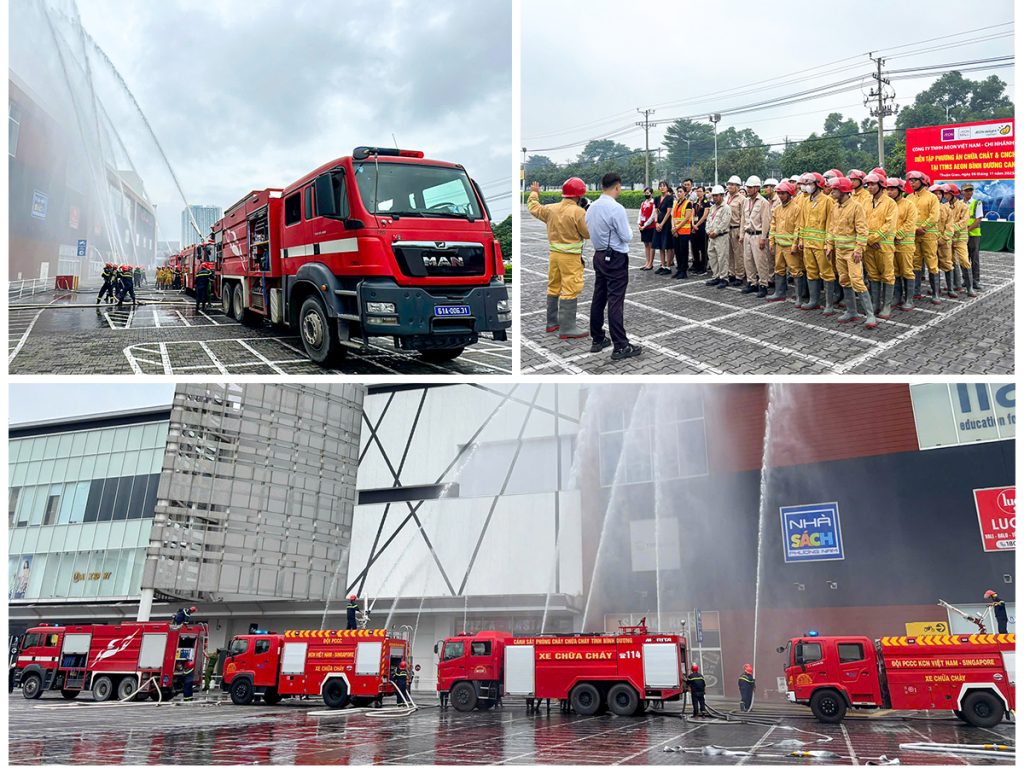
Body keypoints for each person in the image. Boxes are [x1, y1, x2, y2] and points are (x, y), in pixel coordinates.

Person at [585, 172, 641, 361]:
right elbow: (626, 236)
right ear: (617, 187)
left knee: (599, 297)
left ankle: (598, 338)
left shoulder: (591, 207)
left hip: (599, 254)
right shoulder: (616, 208)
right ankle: (620, 346)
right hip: (615, 257)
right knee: (615, 301)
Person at [527, 179, 591, 339]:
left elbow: (533, 208)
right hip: (570, 258)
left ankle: (552, 323)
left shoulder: (551, 209)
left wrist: (534, 193)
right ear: (579, 195)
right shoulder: (578, 212)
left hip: (554, 255)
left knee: (553, 286)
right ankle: (568, 328)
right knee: (571, 288)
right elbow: (587, 234)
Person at [826, 176, 874, 328]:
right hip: (840, 251)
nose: (832, 192)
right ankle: (851, 311)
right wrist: (829, 245)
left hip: (852, 253)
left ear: (843, 191)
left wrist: (859, 249)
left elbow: (862, 230)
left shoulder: (856, 207)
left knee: (857, 281)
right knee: (844, 280)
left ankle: (870, 315)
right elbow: (832, 228)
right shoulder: (835, 207)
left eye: (834, 190)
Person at [796, 172, 834, 312]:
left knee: (826, 273)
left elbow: (831, 224)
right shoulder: (806, 201)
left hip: (821, 246)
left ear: (818, 184)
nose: (807, 187)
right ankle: (814, 301)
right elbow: (802, 222)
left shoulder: (827, 201)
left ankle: (829, 304)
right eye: (805, 184)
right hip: (808, 245)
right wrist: (801, 239)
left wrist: (828, 244)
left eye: (809, 184)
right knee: (811, 272)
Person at [862, 172, 898, 318]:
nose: (869, 187)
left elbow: (889, 225)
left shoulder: (890, 203)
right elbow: (861, 223)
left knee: (888, 276)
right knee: (873, 275)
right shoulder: (865, 202)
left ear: (881, 185)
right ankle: (875, 303)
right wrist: (869, 240)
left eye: (872, 184)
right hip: (869, 246)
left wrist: (873, 239)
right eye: (868, 184)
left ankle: (886, 306)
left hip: (884, 246)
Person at [908, 170, 940, 304]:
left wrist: (924, 227)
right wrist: (915, 228)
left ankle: (936, 293)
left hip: (929, 235)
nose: (912, 183)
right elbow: (907, 216)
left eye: (914, 180)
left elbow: (934, 216)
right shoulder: (909, 198)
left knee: (931, 262)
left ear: (922, 181)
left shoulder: (932, 197)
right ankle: (916, 291)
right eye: (910, 181)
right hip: (914, 235)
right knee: (915, 262)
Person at [766, 181, 801, 303]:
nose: (780, 196)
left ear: (789, 194)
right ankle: (779, 293)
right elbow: (773, 227)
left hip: (790, 246)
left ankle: (799, 295)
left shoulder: (796, 209)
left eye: (783, 193)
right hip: (779, 246)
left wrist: (795, 244)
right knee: (779, 269)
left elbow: (798, 228)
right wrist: (771, 243)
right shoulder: (777, 209)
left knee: (795, 270)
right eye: (779, 193)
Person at [888, 178, 918, 312]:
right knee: (895, 271)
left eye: (892, 189)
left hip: (905, 244)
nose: (889, 192)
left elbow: (910, 223)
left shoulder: (909, 205)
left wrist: (896, 235)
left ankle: (909, 299)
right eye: (888, 189)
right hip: (890, 244)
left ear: (900, 190)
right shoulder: (888, 204)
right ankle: (897, 296)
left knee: (907, 271)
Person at [740, 176, 771, 297]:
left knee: (760, 261)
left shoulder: (763, 202)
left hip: (758, 235)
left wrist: (763, 237)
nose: (748, 189)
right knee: (748, 260)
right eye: (747, 187)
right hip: (748, 233)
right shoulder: (746, 201)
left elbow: (765, 221)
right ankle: (751, 283)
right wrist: (742, 234)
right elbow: (743, 218)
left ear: (757, 188)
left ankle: (763, 284)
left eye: (751, 187)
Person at [948, 184, 975, 297]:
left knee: (964, 260)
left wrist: (951, 228)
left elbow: (964, 222)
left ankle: (970, 288)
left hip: (960, 239)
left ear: (953, 194)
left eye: (947, 193)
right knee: (950, 261)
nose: (945, 195)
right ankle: (955, 285)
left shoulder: (964, 207)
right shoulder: (944, 206)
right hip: (948, 238)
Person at [705, 185, 733, 289]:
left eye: (717, 196)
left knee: (722, 257)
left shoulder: (726, 208)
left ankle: (723, 278)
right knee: (712, 256)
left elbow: (725, 222)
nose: (715, 198)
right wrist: (708, 231)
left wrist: (716, 232)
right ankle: (716, 276)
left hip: (721, 236)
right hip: (711, 236)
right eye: (713, 196)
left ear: (722, 196)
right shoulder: (713, 207)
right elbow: (708, 220)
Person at [934, 184, 956, 298]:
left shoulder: (947, 208)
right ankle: (936, 291)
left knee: (948, 264)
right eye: (935, 194)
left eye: (939, 194)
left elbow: (950, 226)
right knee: (934, 266)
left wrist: (943, 238)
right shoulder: (929, 209)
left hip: (944, 242)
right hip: (931, 242)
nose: (937, 196)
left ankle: (950, 289)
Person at [725, 175, 746, 285]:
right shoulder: (726, 197)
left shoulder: (742, 199)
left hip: (736, 228)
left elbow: (743, 217)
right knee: (729, 253)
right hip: (726, 229)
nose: (730, 186)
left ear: (738, 186)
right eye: (729, 184)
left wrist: (741, 232)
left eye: (732, 184)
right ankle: (731, 273)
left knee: (738, 254)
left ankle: (739, 275)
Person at [963, 183, 984, 289]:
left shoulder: (977, 203)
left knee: (974, 258)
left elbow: (978, 219)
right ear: (962, 192)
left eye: (970, 190)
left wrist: (967, 230)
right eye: (966, 190)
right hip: (962, 235)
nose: (969, 192)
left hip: (974, 235)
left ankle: (975, 281)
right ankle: (965, 279)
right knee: (964, 258)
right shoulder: (960, 203)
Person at [670, 184, 692, 279]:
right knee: (677, 251)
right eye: (678, 192)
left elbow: (687, 218)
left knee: (683, 252)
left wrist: (677, 227)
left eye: (681, 192)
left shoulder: (688, 203)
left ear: (685, 193)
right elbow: (673, 217)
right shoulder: (676, 203)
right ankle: (679, 269)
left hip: (684, 231)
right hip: (676, 231)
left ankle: (684, 271)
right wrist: (673, 228)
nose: (679, 193)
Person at [653, 181, 675, 275]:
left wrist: (662, 224)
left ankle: (668, 266)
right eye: (660, 186)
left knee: (668, 245)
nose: (662, 188)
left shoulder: (670, 198)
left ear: (667, 187)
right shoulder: (657, 198)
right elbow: (656, 211)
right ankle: (662, 265)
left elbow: (668, 212)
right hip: (659, 223)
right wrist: (656, 222)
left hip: (666, 224)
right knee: (660, 245)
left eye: (664, 186)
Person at [690, 186, 710, 274]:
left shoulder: (706, 202)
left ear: (704, 192)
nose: (698, 193)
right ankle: (696, 265)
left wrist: (697, 225)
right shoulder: (695, 202)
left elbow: (705, 216)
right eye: (697, 191)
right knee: (695, 247)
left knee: (703, 248)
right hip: (694, 227)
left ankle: (703, 266)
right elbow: (692, 214)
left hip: (702, 227)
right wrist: (693, 224)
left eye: (700, 191)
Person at [638, 187, 657, 270]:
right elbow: (640, 214)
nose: (646, 194)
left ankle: (650, 263)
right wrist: (639, 224)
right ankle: (647, 261)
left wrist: (645, 225)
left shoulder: (654, 203)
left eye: (648, 193)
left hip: (650, 226)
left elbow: (652, 217)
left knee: (651, 244)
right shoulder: (643, 203)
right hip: (643, 227)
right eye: (645, 193)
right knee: (646, 244)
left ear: (651, 194)